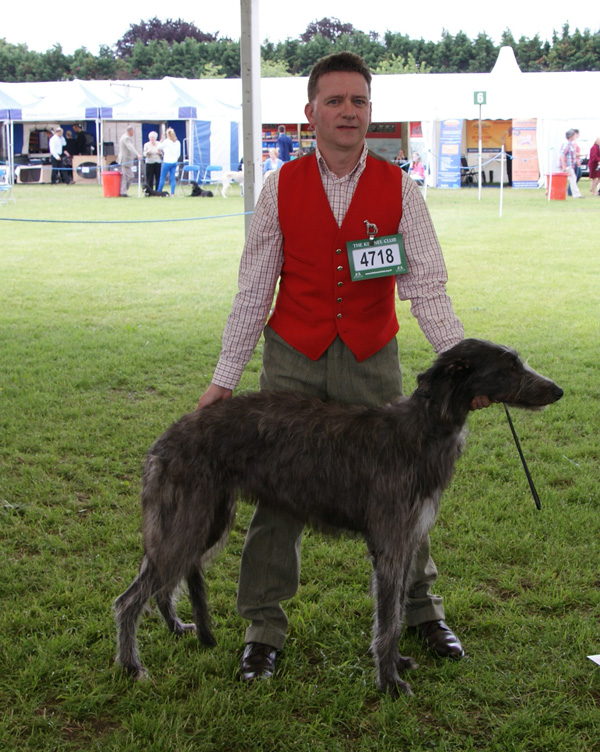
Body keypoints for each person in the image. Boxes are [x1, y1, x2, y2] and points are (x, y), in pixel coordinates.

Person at [197, 51, 491, 683]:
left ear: (369, 113)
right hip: (293, 361)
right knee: (277, 499)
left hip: (370, 361)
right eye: (334, 101)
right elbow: (253, 290)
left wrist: (463, 367)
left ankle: (420, 609)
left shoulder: (400, 187)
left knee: (404, 495)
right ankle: (264, 628)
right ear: (310, 113)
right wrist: (224, 379)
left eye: (358, 101)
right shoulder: (279, 187)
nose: (348, 111)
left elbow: (427, 287)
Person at [118, 125, 141, 197]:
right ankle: (123, 191)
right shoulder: (126, 138)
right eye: (133, 132)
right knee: (130, 176)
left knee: (125, 176)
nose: (133, 133)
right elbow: (130, 147)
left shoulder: (124, 137)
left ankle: (123, 191)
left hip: (125, 160)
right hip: (125, 160)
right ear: (130, 131)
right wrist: (137, 154)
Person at [157, 128, 181, 196]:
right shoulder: (177, 142)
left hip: (167, 161)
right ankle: (172, 192)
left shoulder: (166, 141)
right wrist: (175, 158)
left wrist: (161, 139)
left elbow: (159, 147)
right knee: (172, 178)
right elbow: (178, 153)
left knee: (162, 177)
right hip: (174, 161)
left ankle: (159, 191)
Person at [560, 129, 582, 199]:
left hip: (570, 165)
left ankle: (575, 194)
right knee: (572, 178)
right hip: (567, 165)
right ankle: (576, 194)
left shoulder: (571, 145)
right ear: (571, 136)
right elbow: (562, 154)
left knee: (572, 178)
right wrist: (564, 166)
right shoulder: (567, 145)